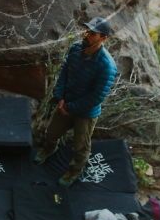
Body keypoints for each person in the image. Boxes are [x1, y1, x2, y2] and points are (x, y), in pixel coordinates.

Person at [35, 17, 118, 187]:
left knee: (80, 147)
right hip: (64, 104)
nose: (87, 35)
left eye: (93, 33)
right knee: (51, 133)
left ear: (103, 38)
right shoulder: (75, 49)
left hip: (85, 113)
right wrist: (60, 97)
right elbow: (64, 73)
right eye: (87, 31)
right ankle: (49, 149)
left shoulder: (107, 65)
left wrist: (71, 108)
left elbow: (97, 97)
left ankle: (74, 171)